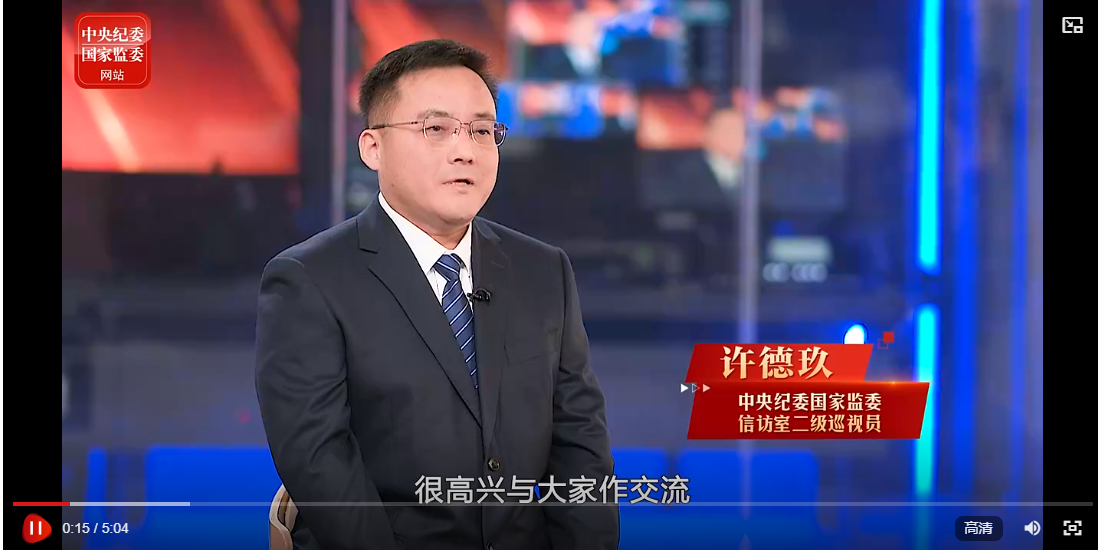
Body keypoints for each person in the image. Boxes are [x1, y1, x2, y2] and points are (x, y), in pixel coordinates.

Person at [255, 39, 618, 550]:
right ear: (372, 148)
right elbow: (319, 461)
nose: (465, 149)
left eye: (482, 131)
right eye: (435, 129)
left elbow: (581, 442)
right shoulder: (308, 280)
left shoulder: (543, 270)